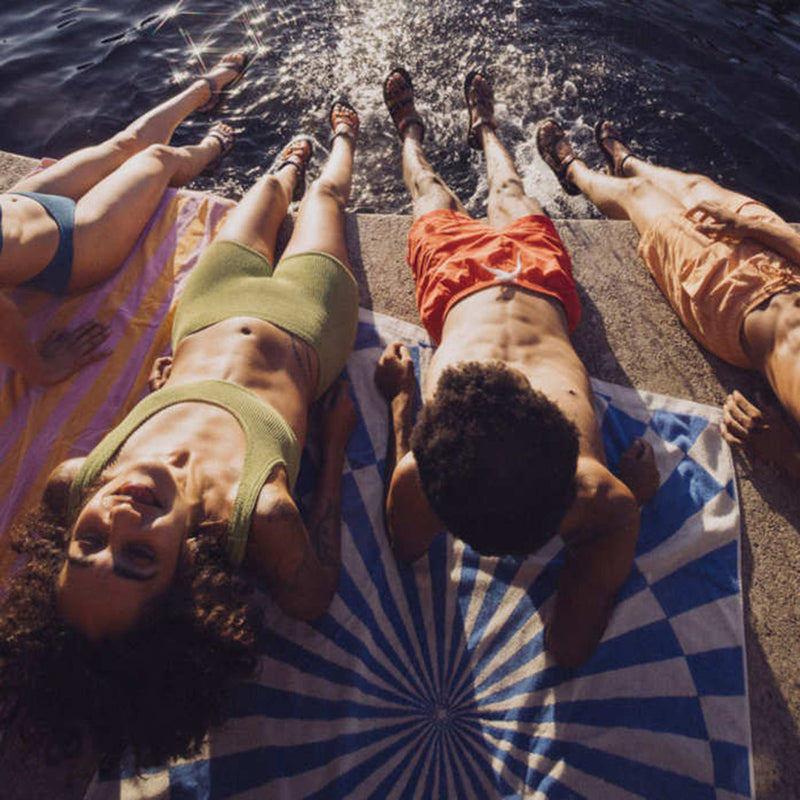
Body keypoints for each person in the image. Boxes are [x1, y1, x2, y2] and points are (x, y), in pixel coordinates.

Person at [0, 100, 362, 768]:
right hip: (308, 320)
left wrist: (159, 392)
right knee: (325, 197)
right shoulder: (257, 511)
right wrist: (335, 443)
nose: (118, 518)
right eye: (139, 557)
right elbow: (311, 596)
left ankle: (293, 155)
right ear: (185, 578)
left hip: (208, 306)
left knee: (271, 186)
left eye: (89, 544)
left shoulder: (76, 483)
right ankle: (345, 134)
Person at [375, 68, 657, 670]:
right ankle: (468, 129)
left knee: (430, 195)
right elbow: (568, 649)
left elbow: (405, 543)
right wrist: (634, 500)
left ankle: (434, 131)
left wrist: (401, 403)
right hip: (540, 281)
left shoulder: (425, 473)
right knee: (506, 191)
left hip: (453, 287)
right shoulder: (601, 496)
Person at [536, 118, 800, 478]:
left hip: (733, 301)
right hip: (787, 264)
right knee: (697, 187)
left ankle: (572, 171)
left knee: (639, 196)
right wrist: (751, 228)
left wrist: (786, 453)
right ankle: (625, 162)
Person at [0, 52, 248, 386]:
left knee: (126, 144)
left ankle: (205, 89)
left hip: (23, 204)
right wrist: (42, 370)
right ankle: (212, 149)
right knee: (158, 159)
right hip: (75, 246)